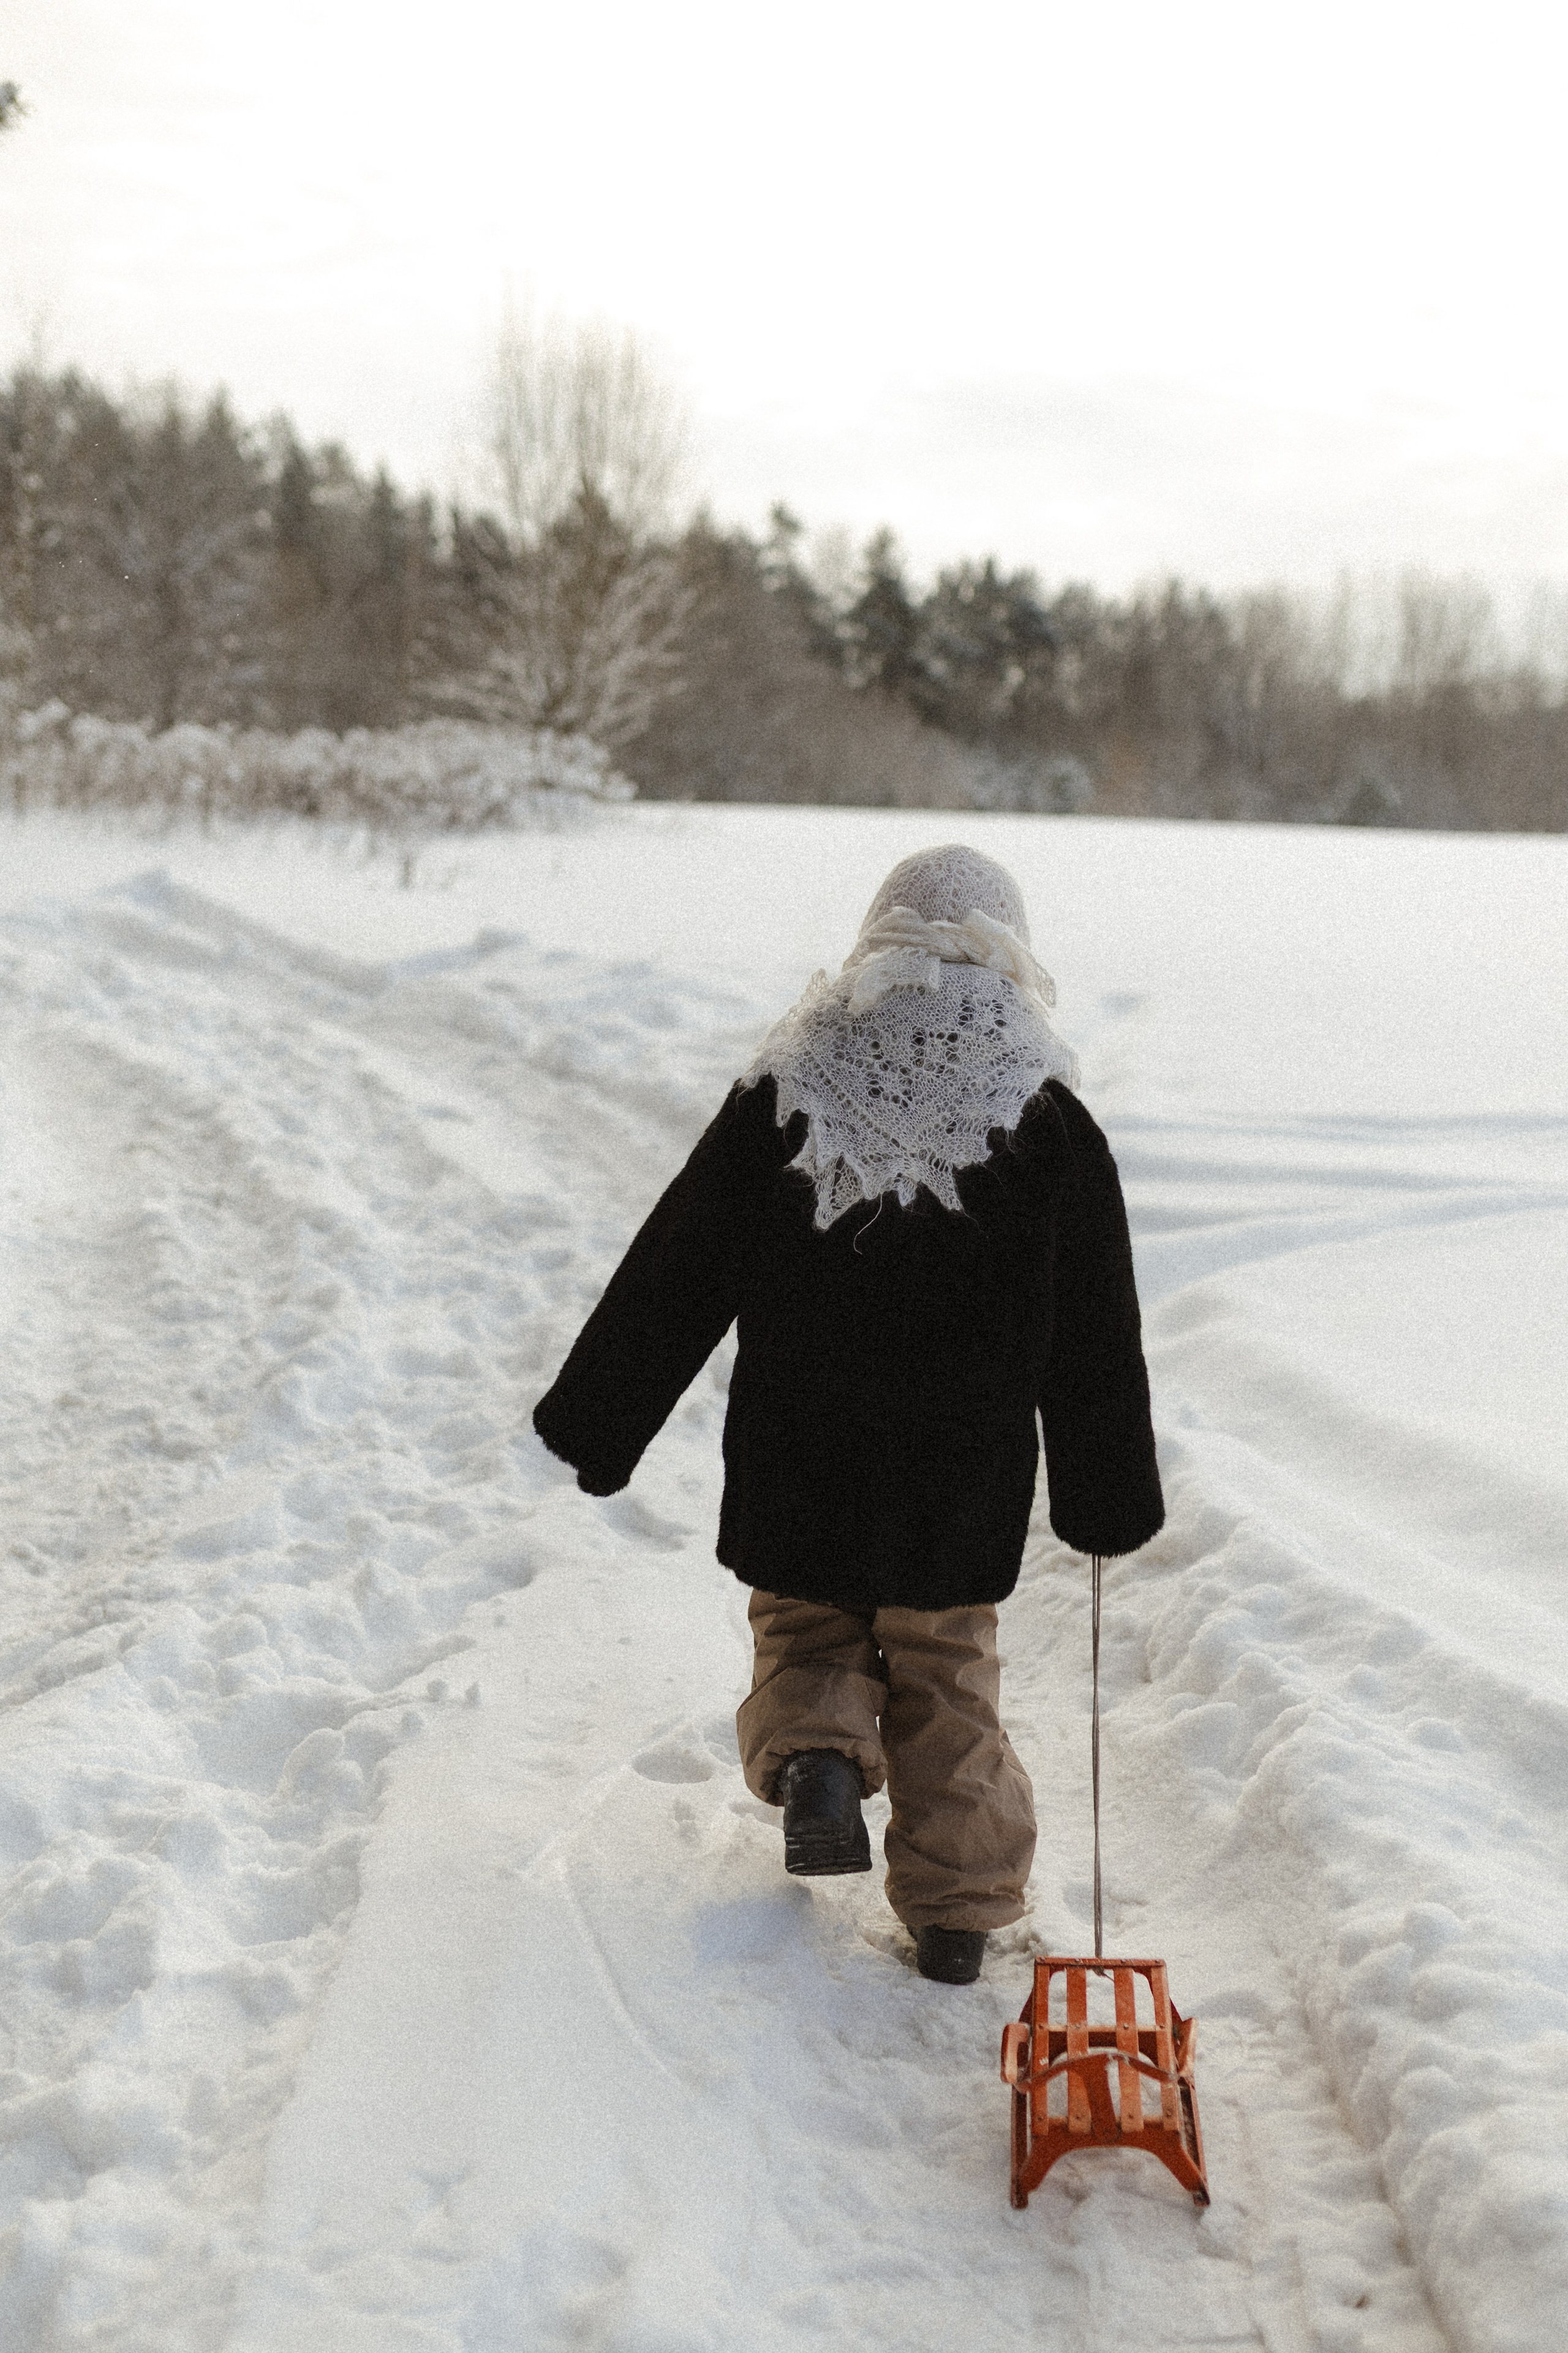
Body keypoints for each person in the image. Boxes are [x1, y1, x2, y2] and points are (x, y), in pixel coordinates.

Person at [533, 844, 1163, 1984]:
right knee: (949, 1671)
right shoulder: (1048, 1118)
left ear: (877, 939)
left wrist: (601, 1417)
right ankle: (959, 1909)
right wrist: (1105, 1489)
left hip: (800, 1454)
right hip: (956, 1481)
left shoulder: (793, 1087)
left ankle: (819, 1755)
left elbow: (682, 1263)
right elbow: (1094, 1331)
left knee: (809, 1625)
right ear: (1010, 957)